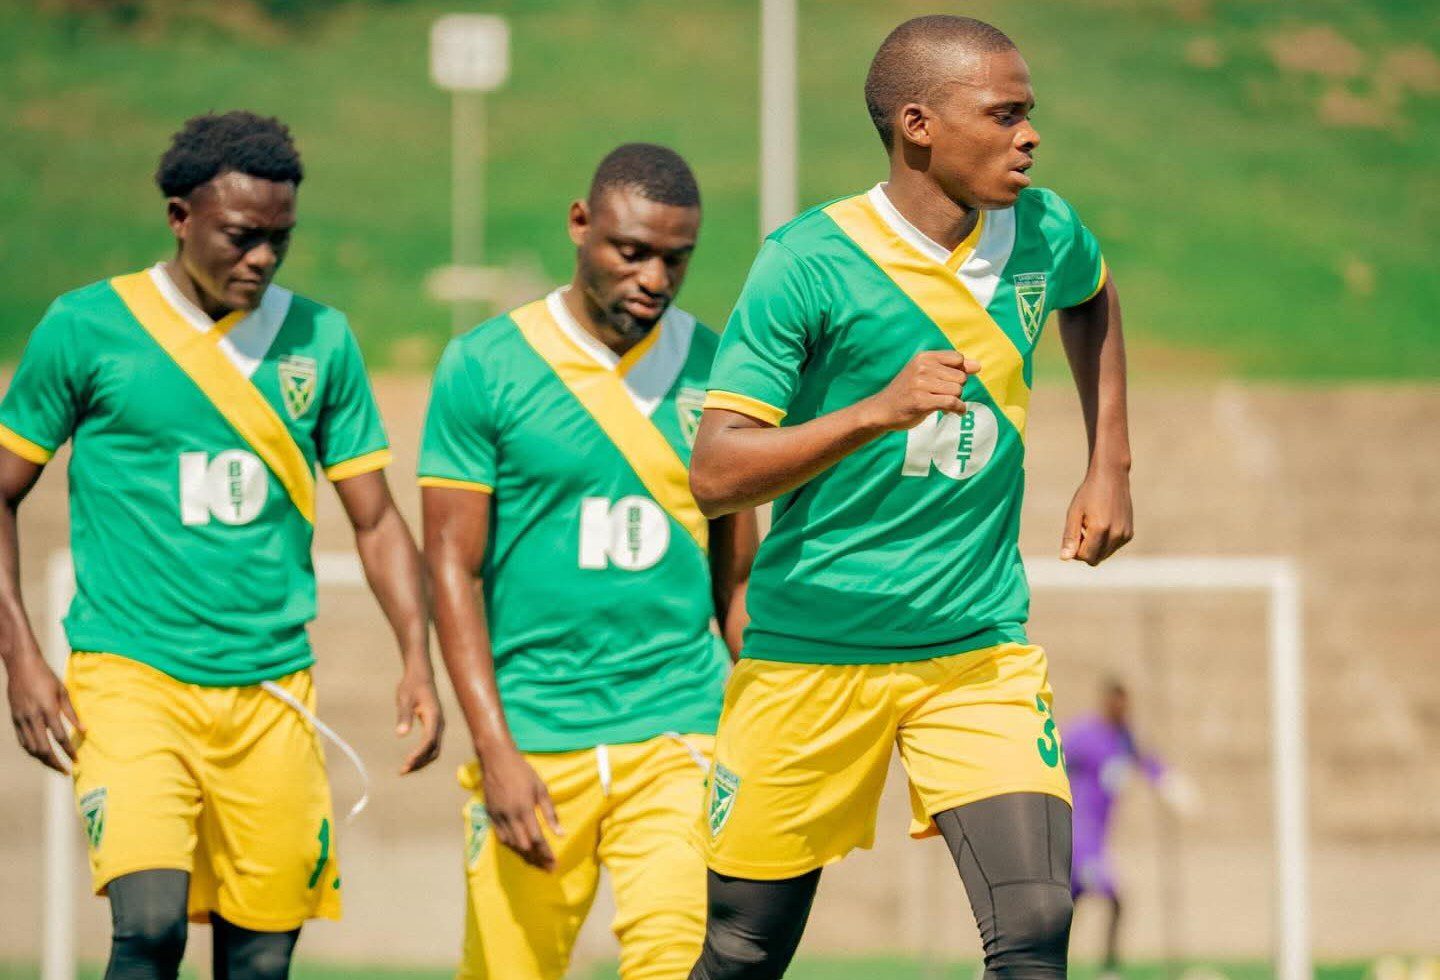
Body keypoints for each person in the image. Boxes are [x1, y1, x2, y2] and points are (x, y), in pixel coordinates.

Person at [685, 15, 1134, 979]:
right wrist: (869, 414)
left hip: (976, 651)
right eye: (1005, 114)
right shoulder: (806, 262)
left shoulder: (1044, 229)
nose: (1031, 135)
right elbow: (716, 474)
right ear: (919, 125)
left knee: (1036, 935)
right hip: (809, 657)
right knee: (741, 952)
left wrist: (1110, 463)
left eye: (1031, 113)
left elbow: (1092, 294)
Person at [0, 111, 443, 980]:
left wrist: (416, 659)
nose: (264, 259)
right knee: (152, 924)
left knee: (261, 962)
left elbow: (378, 520)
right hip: (131, 678)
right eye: (242, 237)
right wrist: (20, 657)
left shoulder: (322, 340)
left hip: (274, 694)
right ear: (179, 216)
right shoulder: (87, 328)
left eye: (280, 239)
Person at [420, 143, 756, 980]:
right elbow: (451, 571)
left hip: (680, 730)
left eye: (675, 260)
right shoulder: (485, 365)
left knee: (680, 964)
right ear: (580, 224)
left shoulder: (720, 371)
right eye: (630, 251)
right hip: (534, 741)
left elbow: (739, 581)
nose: (653, 276)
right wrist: (494, 749)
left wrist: (762, 730)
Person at [1065, 680, 1189, 979]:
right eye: (1115, 703)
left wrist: (1172, 786)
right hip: (1081, 839)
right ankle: (1109, 971)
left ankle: (1024, 963)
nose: (1121, 709)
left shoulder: (1124, 739)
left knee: (1066, 911)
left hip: (1098, 839)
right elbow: (1055, 755)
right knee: (1115, 899)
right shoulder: (1085, 735)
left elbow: (1147, 762)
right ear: (1104, 702)